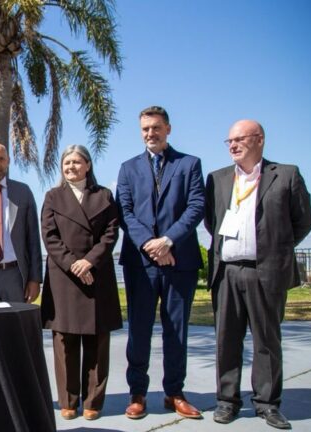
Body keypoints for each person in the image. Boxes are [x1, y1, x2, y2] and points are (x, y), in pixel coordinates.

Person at [205, 120, 311, 429]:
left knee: (267, 340)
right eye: (229, 141)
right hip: (227, 273)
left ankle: (267, 404)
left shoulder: (286, 175)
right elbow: (212, 222)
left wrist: (275, 248)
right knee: (226, 339)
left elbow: (303, 221)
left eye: (240, 139)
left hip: (265, 272)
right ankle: (227, 401)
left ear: (260, 140)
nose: (234, 145)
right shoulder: (218, 179)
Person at [116, 106, 205, 420]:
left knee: (176, 331)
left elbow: (196, 206)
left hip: (179, 260)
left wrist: (168, 240)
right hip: (140, 264)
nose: (150, 134)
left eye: (155, 128)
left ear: (168, 128)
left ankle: (174, 393)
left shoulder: (190, 164)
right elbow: (124, 212)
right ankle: (137, 393)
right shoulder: (127, 168)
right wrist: (150, 245)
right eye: (144, 129)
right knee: (138, 330)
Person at [41, 145, 121, 421]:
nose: (71, 167)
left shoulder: (105, 196)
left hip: (97, 275)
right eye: (66, 163)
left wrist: (89, 262)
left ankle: (93, 402)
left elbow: (111, 234)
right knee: (65, 341)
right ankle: (68, 400)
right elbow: (49, 237)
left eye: (76, 162)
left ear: (87, 165)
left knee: (97, 341)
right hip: (64, 277)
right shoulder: (52, 196)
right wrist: (74, 265)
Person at [0, 142, 42, 302]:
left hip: (15, 276)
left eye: (1, 159)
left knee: (16, 325)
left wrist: (35, 279)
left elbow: (33, 238)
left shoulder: (23, 192)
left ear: (8, 161)